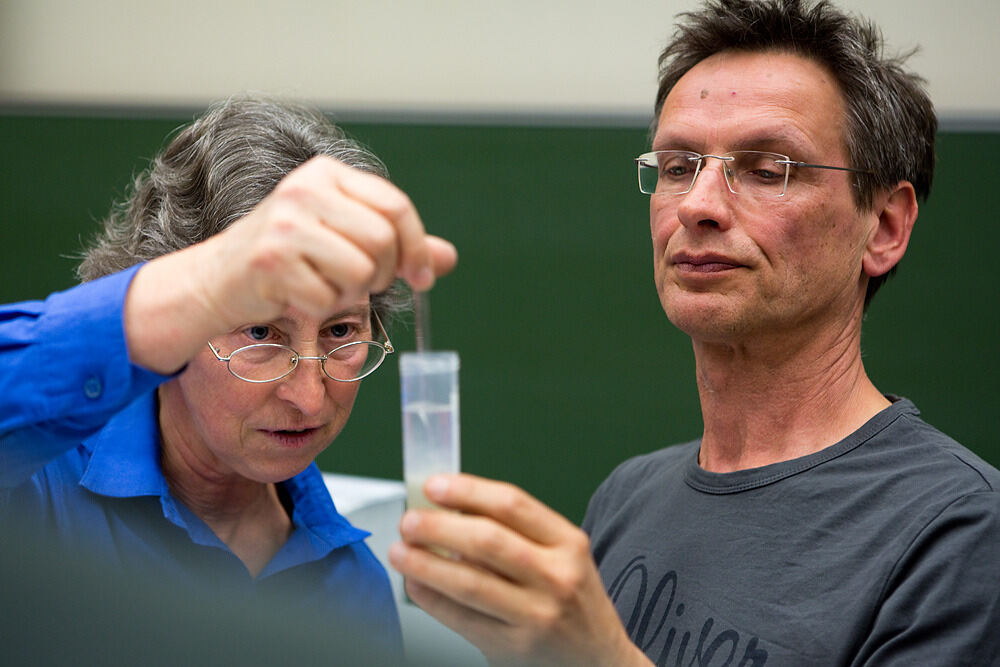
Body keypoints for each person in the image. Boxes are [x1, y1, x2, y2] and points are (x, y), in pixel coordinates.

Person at [388, 1, 1000, 665]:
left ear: (884, 226)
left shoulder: (959, 532)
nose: (698, 206)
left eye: (768, 169)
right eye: (678, 166)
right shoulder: (628, 496)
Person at [0, 96, 456, 656]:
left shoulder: (351, 588)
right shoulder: (37, 494)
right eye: (261, 333)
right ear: (178, 324)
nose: (310, 400)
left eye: (340, 333)